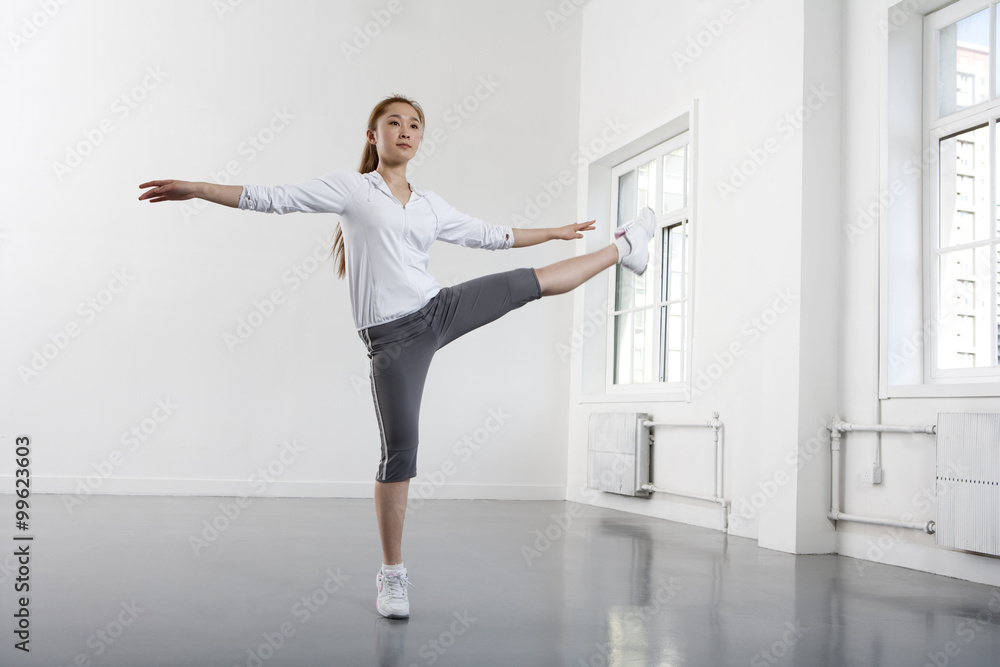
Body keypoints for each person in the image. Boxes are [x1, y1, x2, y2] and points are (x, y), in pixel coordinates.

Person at [138, 94, 655, 620]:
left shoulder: (429, 205)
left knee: (529, 284)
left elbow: (492, 236)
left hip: (440, 308)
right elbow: (274, 198)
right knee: (401, 451)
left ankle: (625, 248)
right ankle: (393, 574)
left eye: (415, 125)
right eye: (394, 123)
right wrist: (200, 189)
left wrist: (555, 232)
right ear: (373, 135)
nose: (405, 131)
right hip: (393, 340)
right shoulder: (352, 189)